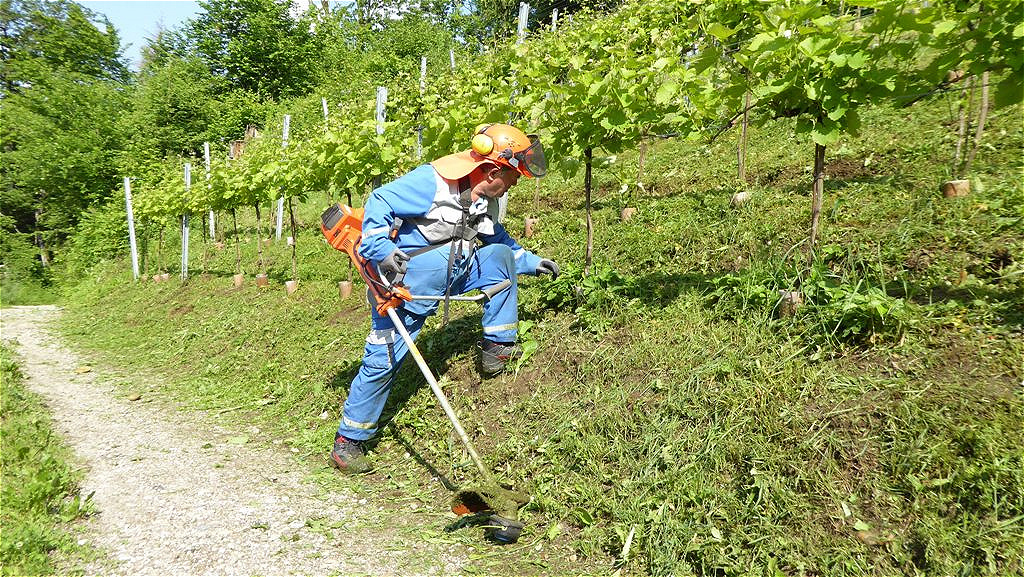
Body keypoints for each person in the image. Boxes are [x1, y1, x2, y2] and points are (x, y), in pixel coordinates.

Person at [329, 123, 560, 474]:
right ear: (493, 170)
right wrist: (382, 249)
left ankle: (498, 347)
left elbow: (496, 238)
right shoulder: (431, 182)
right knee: (384, 360)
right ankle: (349, 441)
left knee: (497, 256)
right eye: (512, 177)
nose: (514, 183)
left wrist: (530, 261)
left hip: (457, 271)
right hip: (406, 286)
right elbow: (380, 200)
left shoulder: (485, 199)